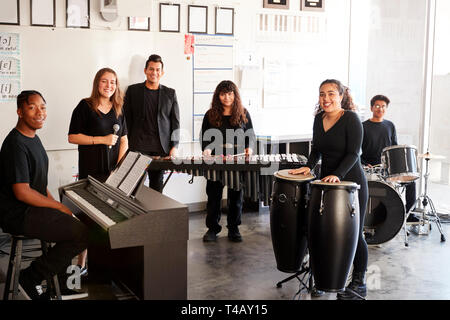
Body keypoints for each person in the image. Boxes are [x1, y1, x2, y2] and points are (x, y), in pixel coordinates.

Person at [0, 90, 89, 299]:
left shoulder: (34, 138)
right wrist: (57, 207)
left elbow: (39, 186)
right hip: (18, 214)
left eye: (43, 107)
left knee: (73, 225)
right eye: (32, 107)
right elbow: (22, 192)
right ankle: (29, 278)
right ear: (20, 112)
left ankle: (59, 286)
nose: (40, 112)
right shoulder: (15, 144)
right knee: (81, 234)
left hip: (32, 209)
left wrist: (57, 205)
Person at [289, 79, 369, 300]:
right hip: (327, 183)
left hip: (351, 184)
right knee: (322, 233)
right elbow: (316, 150)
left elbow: (354, 154)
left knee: (355, 235)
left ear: (341, 96)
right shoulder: (318, 119)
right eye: (322, 94)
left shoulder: (351, 119)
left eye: (331, 94)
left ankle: (359, 283)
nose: (326, 99)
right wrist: (308, 166)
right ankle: (321, 279)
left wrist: (338, 175)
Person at [68, 67, 128, 276]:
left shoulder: (119, 108)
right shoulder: (85, 106)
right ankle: (81, 263)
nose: (109, 86)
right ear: (97, 83)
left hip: (110, 174)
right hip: (90, 172)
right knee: (88, 218)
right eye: (104, 81)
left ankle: (106, 263)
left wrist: (118, 170)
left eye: (113, 82)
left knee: (109, 219)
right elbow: (73, 137)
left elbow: (124, 141)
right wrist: (100, 140)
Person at [200, 80, 256, 243]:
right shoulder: (210, 115)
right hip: (216, 162)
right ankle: (212, 229)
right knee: (213, 196)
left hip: (236, 161)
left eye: (230, 94)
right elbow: (205, 138)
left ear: (235, 95)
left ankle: (234, 228)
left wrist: (249, 148)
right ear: (218, 96)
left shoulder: (243, 113)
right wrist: (207, 149)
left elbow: (251, 136)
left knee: (236, 197)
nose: (226, 97)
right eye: (223, 94)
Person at [123, 54, 180, 192]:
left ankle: (155, 214)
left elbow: (175, 122)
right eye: (151, 69)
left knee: (156, 189)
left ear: (162, 72)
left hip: (160, 149)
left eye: (157, 70)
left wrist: (174, 146)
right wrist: (124, 146)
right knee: (133, 188)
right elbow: (125, 120)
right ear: (145, 70)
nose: (154, 73)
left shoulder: (170, 93)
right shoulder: (132, 91)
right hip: (137, 147)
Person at [361, 95, 417, 221]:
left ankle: (409, 215)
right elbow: (357, 150)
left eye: (383, 106)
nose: (380, 109)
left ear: (386, 108)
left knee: (411, 181)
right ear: (371, 108)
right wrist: (364, 164)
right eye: (377, 106)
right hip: (370, 167)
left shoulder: (390, 125)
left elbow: (394, 146)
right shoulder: (363, 126)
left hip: (387, 166)